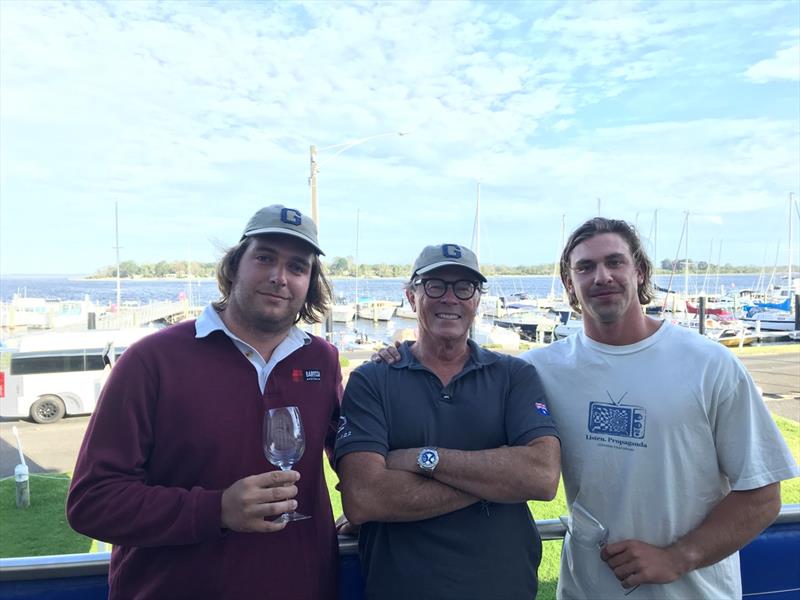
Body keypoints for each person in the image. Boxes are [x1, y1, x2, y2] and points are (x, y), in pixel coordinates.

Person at [67, 205, 343, 600]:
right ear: (234, 266)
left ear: (309, 283)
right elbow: (92, 501)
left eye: (297, 267)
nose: (279, 277)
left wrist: (368, 507)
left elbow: (351, 455)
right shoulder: (152, 360)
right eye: (264, 257)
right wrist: (216, 511)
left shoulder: (323, 360)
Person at [520, 217, 799, 599]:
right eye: (585, 267)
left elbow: (763, 494)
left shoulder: (709, 364)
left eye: (615, 262)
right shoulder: (540, 369)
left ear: (640, 272)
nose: (601, 276)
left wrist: (678, 557)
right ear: (570, 283)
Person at [334, 243, 561, 600]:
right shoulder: (372, 380)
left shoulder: (514, 375)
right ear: (411, 296)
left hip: (505, 588)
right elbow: (365, 499)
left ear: (477, 300)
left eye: (464, 287)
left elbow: (542, 477)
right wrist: (497, 476)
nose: (450, 298)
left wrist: (422, 458)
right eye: (435, 285)